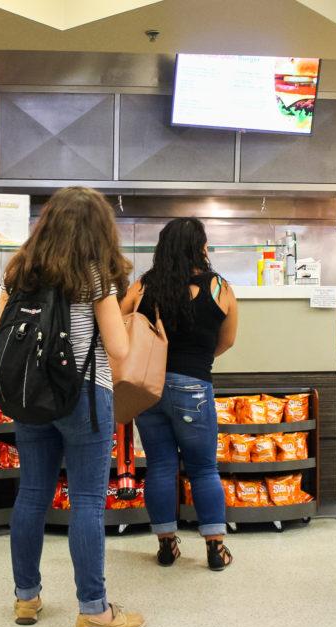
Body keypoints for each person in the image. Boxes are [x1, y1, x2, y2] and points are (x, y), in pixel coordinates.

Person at [0, 187, 146, 627]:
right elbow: (119, 352)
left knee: (32, 494)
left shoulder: (19, 271)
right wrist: (125, 323)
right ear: (98, 228)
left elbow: (3, 334)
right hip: (84, 397)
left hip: (29, 396)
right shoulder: (94, 277)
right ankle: (94, 611)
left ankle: (26, 596)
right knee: (85, 500)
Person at [118, 218, 239, 571]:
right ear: (201, 247)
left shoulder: (143, 286)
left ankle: (166, 545)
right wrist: (198, 361)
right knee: (203, 469)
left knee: (159, 466)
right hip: (194, 386)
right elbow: (228, 340)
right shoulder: (220, 288)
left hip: (148, 388)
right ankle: (215, 548)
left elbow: (118, 326)